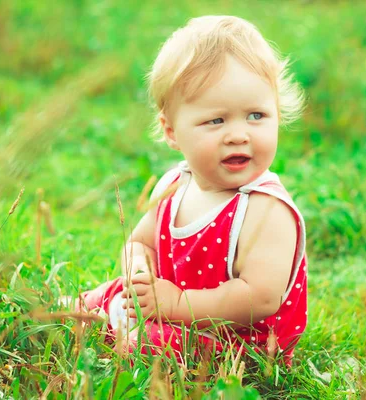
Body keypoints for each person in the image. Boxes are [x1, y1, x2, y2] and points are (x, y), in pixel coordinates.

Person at [78, 15, 308, 365]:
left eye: (256, 116)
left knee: (146, 342)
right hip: (174, 316)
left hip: (238, 346)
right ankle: (90, 315)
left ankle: (118, 332)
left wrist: (174, 304)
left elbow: (258, 298)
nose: (238, 134)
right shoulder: (174, 185)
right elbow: (140, 242)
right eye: (216, 120)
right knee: (106, 297)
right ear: (171, 132)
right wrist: (139, 275)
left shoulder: (266, 209)